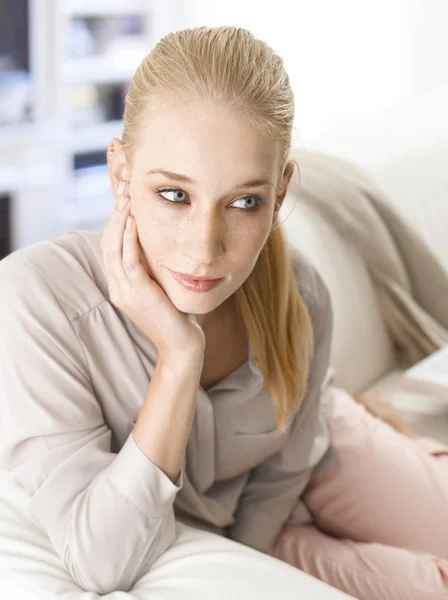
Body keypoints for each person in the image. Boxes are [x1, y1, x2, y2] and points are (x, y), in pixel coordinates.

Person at [0, 25, 447, 600]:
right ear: (121, 172)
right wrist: (179, 358)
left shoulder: (302, 294)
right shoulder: (38, 301)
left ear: (280, 191)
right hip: (250, 530)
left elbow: (286, 469)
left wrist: (271, 535)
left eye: (243, 202)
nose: (205, 246)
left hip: (319, 454)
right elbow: (100, 563)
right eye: (174, 195)